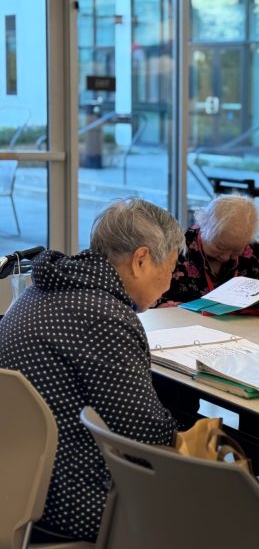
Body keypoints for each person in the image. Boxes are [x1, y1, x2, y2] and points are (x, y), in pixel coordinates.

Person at [0, 198, 185, 543]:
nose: (170, 284)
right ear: (141, 260)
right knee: (202, 496)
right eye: (171, 269)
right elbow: (145, 436)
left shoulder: (40, 289)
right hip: (67, 502)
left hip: (15, 485)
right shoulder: (105, 316)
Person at [157, 194, 259, 306]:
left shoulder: (254, 251)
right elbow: (152, 303)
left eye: (236, 251)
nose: (225, 257)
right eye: (219, 247)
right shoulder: (175, 249)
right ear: (203, 226)